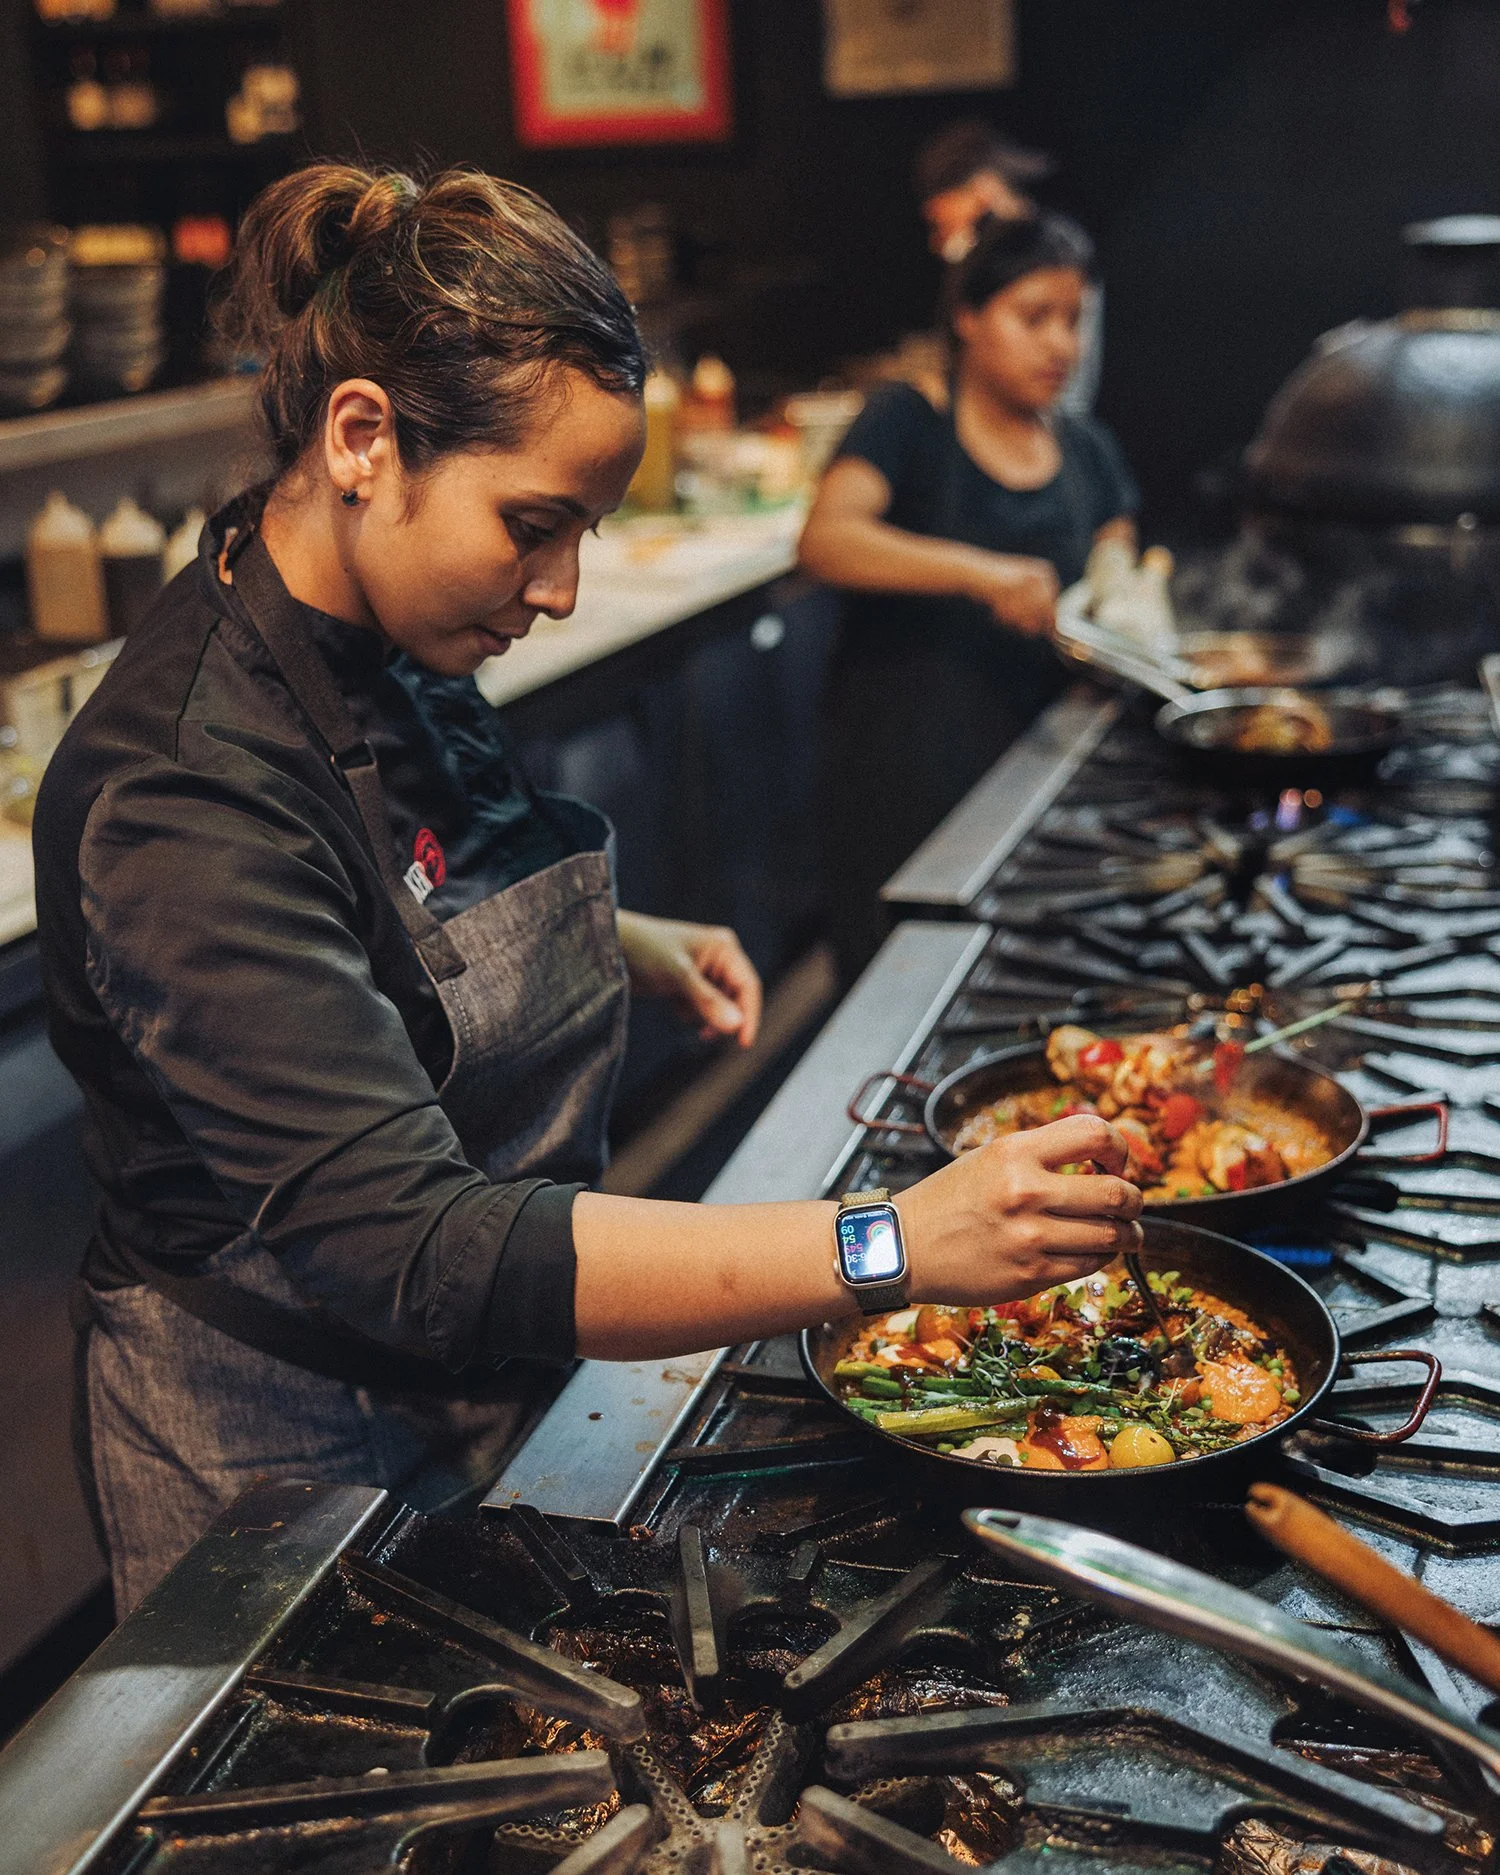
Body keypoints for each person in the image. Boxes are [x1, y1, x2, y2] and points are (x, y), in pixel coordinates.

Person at [34, 164, 1144, 1614]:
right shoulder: (182, 792)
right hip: (268, 1438)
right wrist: (891, 1242)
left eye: (584, 537)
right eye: (532, 524)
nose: (557, 588)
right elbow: (411, 1245)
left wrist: (617, 936)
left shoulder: (381, 624)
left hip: (465, 1382)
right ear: (363, 436)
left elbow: (384, 895)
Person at [800, 213, 1138, 982]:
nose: (1061, 345)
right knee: (893, 991)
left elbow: (1121, 550)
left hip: (1037, 782)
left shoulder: (1087, 448)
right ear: (968, 317)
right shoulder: (906, 421)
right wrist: (984, 573)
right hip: (904, 777)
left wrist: (1121, 602)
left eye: (1073, 321)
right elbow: (825, 539)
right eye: (1034, 318)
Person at [914, 119, 1103, 417]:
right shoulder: (982, 267)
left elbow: (1071, 397)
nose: (940, 241)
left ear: (983, 191)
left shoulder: (1063, 261)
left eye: (942, 222)